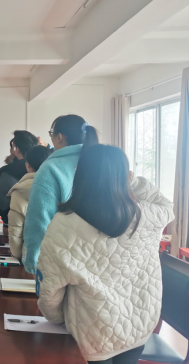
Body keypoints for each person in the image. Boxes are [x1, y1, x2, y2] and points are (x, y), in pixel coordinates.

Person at [36, 145, 174, 364]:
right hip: (138, 328)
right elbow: (166, 204)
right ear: (126, 176)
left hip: (91, 333)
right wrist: (130, 181)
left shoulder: (65, 223)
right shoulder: (148, 215)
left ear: (81, 174)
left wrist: (60, 319)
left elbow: (49, 291)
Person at [22, 114, 98, 274]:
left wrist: (32, 263)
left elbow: (39, 220)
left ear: (59, 137)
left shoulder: (51, 168)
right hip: (97, 262)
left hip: (61, 262)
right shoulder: (100, 163)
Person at [7, 145, 52, 259]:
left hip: (30, 255)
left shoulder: (20, 190)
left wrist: (17, 255)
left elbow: (15, 228)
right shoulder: (60, 187)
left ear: (27, 165)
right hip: (55, 255)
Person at [0, 131, 38, 223]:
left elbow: (0, 202)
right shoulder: (42, 167)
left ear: (17, 149)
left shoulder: (8, 171)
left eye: (13, 146)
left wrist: (2, 214)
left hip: (13, 221)